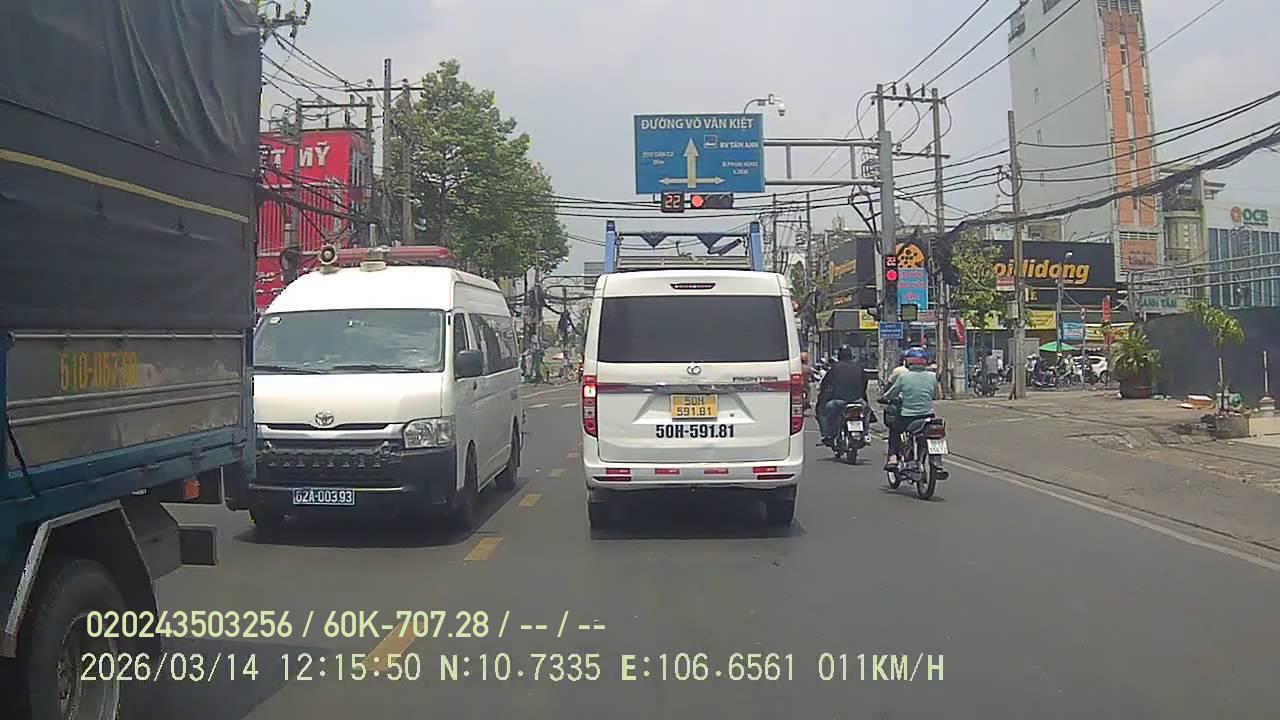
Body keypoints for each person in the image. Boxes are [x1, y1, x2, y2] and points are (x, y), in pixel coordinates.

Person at [879, 347, 940, 471]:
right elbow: (936, 395)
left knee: (894, 430)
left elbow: (891, 394)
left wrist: (884, 398)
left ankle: (893, 457)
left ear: (907, 362)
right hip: (928, 416)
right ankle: (935, 461)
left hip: (907, 417)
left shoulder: (904, 377)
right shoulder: (933, 376)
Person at [815, 345, 867, 446]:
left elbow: (825, 384)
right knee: (866, 412)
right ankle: (865, 434)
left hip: (839, 401)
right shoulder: (859, 367)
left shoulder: (834, 368)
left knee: (822, 411)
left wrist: (823, 396)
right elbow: (864, 383)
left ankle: (827, 435)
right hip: (857, 401)